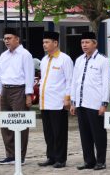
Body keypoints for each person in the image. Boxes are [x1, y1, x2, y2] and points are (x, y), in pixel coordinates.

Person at [70, 31, 110, 171]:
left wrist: (104, 103)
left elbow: (106, 83)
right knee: (85, 134)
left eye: (87, 42)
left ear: (95, 43)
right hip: (81, 103)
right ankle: (89, 160)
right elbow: (75, 82)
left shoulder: (103, 60)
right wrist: (73, 102)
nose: (84, 45)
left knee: (98, 134)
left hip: (95, 104)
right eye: (82, 42)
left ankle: (101, 161)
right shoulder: (79, 60)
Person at [0, 27, 34, 165]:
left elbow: (30, 75)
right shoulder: (3, 55)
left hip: (19, 90)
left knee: (20, 123)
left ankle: (20, 156)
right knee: (5, 124)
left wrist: (29, 95)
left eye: (9, 38)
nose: (6, 41)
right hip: (5, 90)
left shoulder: (25, 54)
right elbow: (0, 76)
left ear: (17, 39)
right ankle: (10, 155)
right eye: (5, 38)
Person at [38, 31, 74, 168]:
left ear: (55, 43)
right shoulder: (44, 60)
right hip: (45, 102)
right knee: (48, 133)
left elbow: (70, 81)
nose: (44, 45)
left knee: (59, 132)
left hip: (58, 103)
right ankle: (51, 157)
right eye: (43, 42)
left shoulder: (65, 59)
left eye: (47, 42)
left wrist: (67, 99)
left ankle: (60, 158)